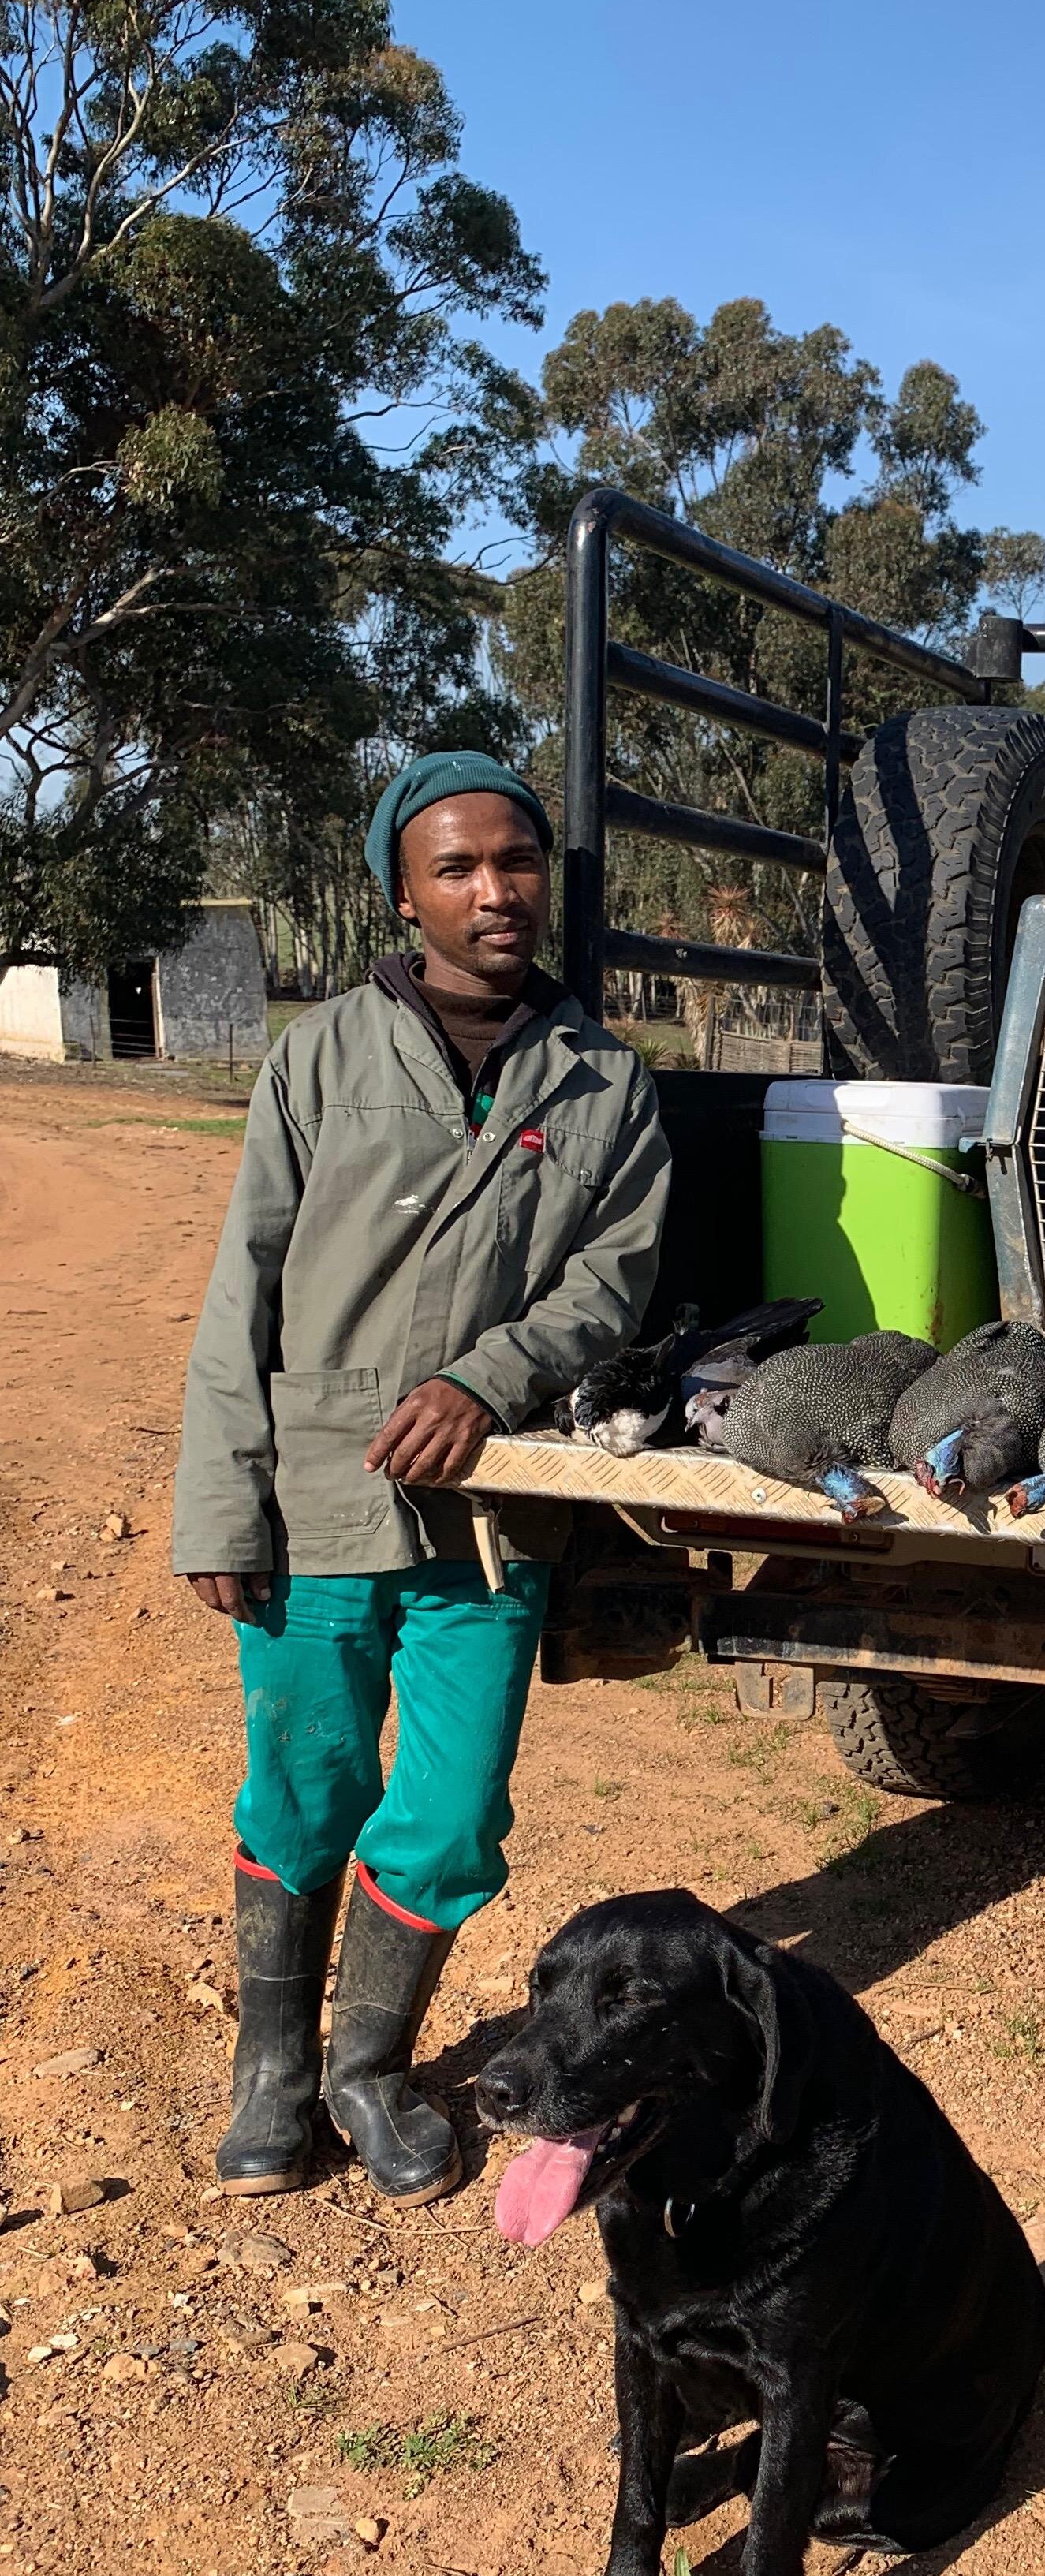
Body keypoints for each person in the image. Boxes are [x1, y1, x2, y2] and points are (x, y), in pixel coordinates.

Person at [172, 752, 672, 2205]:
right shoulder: (320, 1054)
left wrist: (485, 1380)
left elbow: (611, 1282)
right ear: (404, 892)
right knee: (302, 1788)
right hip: (314, 1495)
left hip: (487, 1514)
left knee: (451, 1812)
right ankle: (272, 2068)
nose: (493, 889)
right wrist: (222, 1497)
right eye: (457, 867)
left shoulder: (603, 1080)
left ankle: (370, 2067)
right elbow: (240, 1289)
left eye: (515, 861)